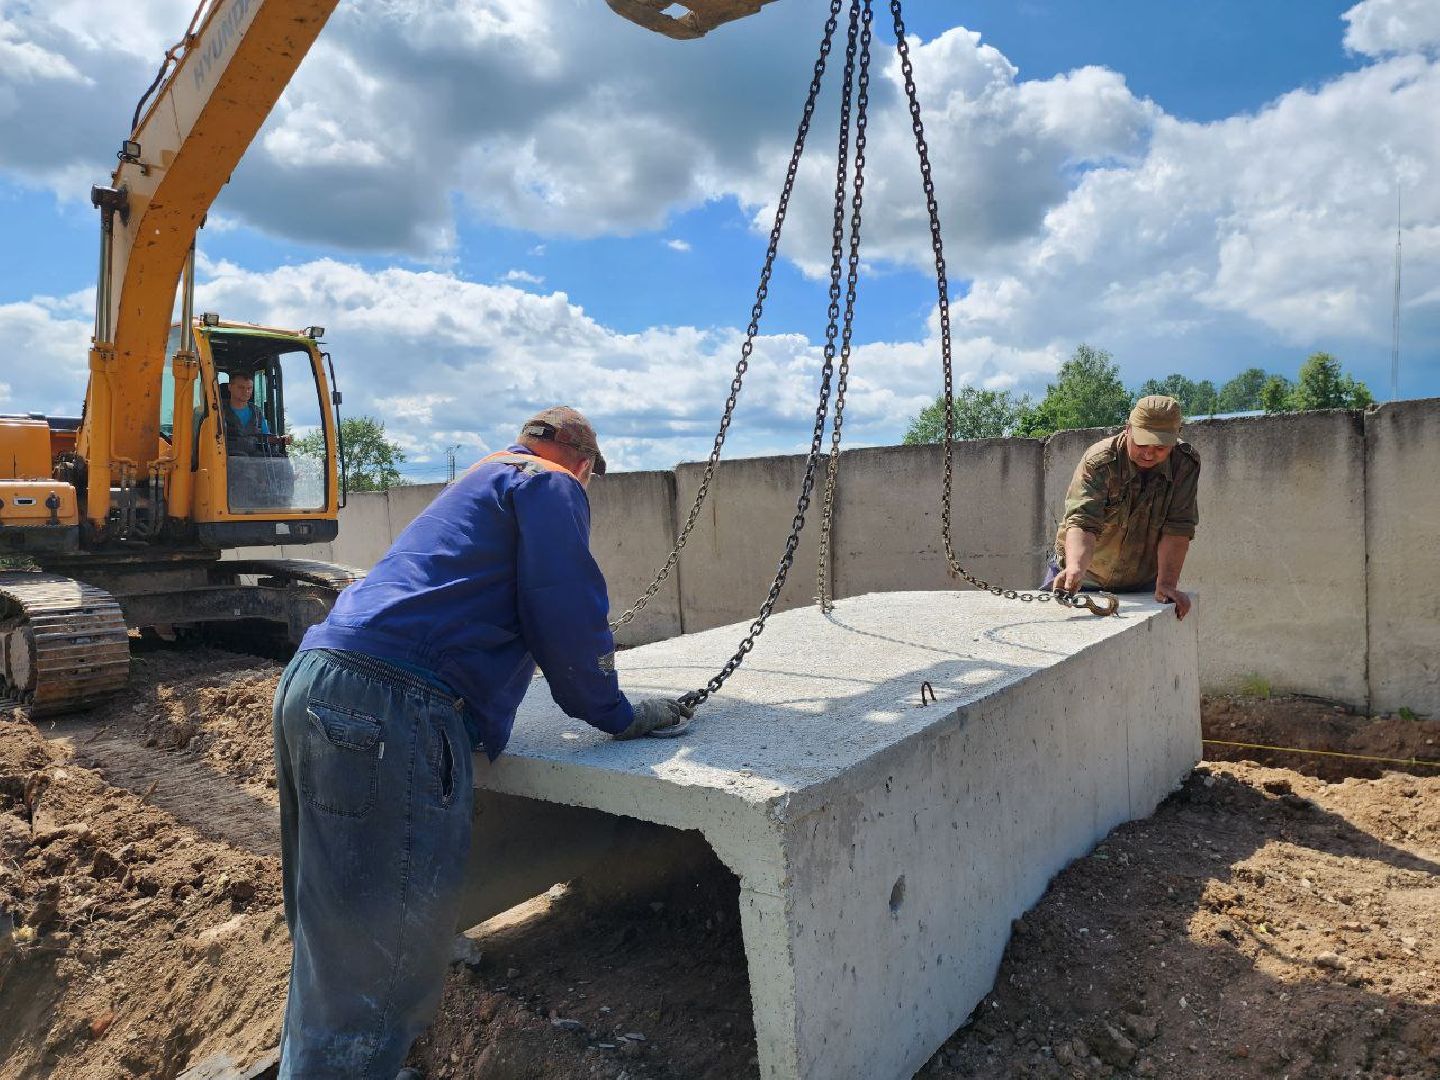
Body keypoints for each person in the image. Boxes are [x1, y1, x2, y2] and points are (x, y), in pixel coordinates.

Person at [271, 406, 690, 1078]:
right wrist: (618, 713)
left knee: (334, 931)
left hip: (316, 682)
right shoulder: (549, 485)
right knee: (378, 947)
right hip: (389, 707)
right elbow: (565, 614)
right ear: (582, 461)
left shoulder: (478, 483)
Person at [1046, 394, 1199, 619]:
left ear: (1176, 438)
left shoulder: (1185, 464)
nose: (1149, 453)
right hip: (1082, 578)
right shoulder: (1100, 461)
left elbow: (1178, 526)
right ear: (1128, 429)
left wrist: (1167, 583)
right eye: (1142, 443)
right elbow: (1082, 520)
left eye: (1160, 447)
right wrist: (1075, 568)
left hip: (1142, 582)